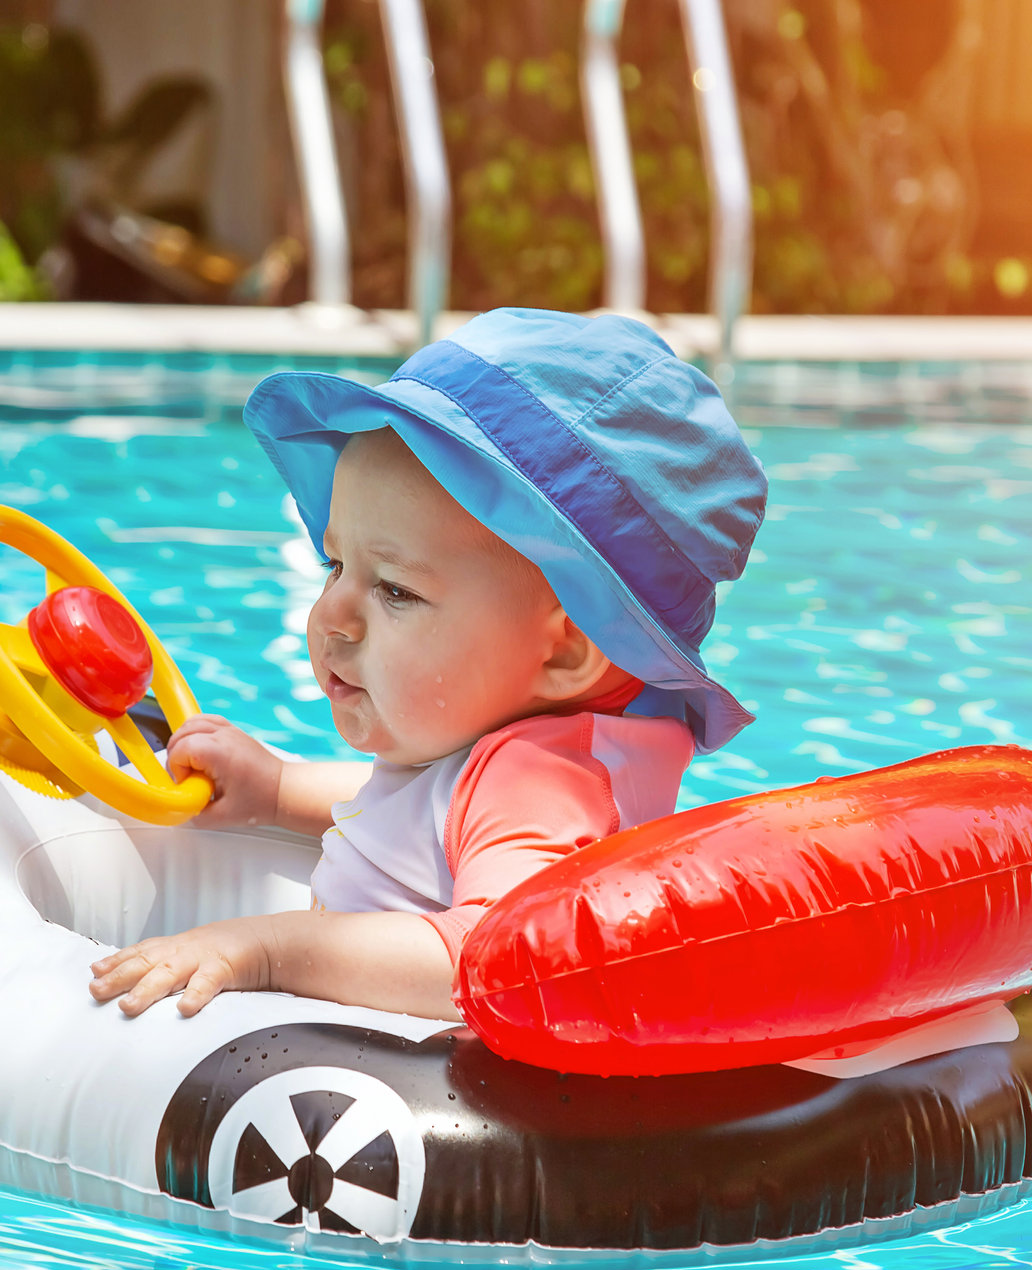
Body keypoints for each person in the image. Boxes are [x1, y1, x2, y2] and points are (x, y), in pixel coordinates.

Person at [88, 308, 768, 1020]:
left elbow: (492, 960)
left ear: (565, 649)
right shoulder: (499, 747)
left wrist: (264, 949)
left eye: (394, 590)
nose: (330, 616)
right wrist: (280, 789)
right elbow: (432, 814)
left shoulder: (542, 783)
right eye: (335, 563)